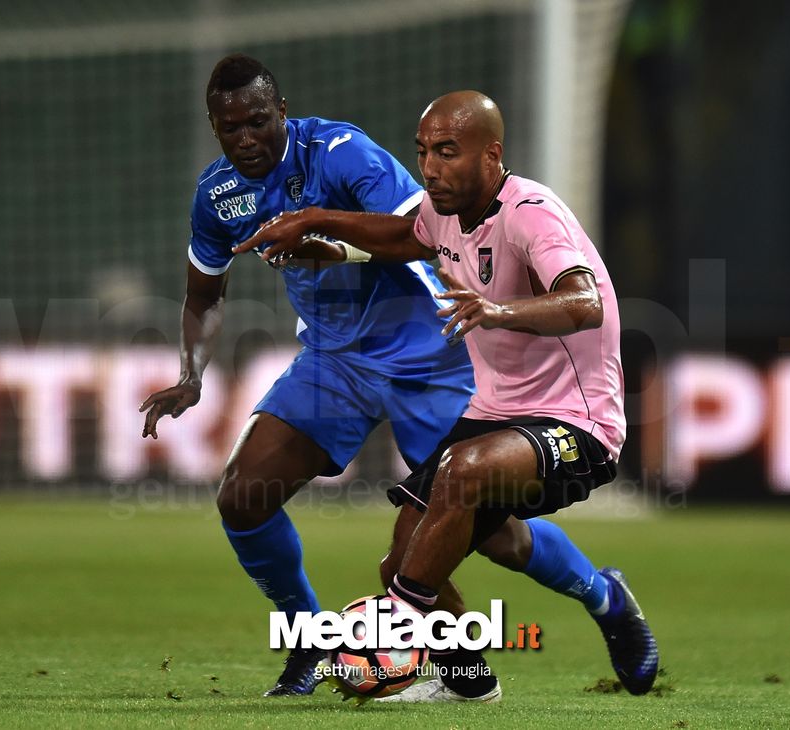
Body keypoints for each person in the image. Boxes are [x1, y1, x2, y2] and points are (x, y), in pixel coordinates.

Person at [140, 56, 634, 700]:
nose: (246, 139)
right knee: (243, 495)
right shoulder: (216, 195)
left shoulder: (343, 152)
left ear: (281, 110)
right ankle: (317, 647)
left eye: (258, 122)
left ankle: (600, 594)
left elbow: (418, 233)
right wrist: (191, 373)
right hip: (336, 359)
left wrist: (470, 310)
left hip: (429, 354)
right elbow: (203, 296)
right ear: (215, 128)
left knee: (492, 534)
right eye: (230, 128)